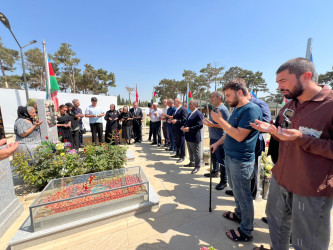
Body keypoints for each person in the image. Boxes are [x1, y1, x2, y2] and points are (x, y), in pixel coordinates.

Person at [250, 58, 333, 250]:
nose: (278, 86)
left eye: (283, 81)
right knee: (277, 226)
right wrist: (272, 131)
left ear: (306, 76)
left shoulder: (329, 105)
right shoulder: (289, 106)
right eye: (277, 82)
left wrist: (302, 138)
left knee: (306, 242)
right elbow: (284, 136)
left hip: (310, 188)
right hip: (280, 179)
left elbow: (300, 139)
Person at [210, 78, 262, 242]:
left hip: (241, 160)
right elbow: (229, 133)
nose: (226, 99)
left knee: (244, 195)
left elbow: (239, 135)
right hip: (231, 157)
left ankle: (246, 231)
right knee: (236, 190)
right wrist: (217, 143)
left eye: (228, 95)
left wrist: (219, 121)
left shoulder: (251, 110)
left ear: (240, 92)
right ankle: (239, 215)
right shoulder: (237, 109)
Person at [202, 91, 230, 190]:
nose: (211, 99)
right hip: (213, 137)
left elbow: (227, 126)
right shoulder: (216, 109)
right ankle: (214, 172)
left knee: (221, 160)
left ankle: (224, 181)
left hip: (220, 139)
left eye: (213, 97)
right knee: (214, 157)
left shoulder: (223, 110)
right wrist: (209, 123)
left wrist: (212, 125)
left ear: (219, 98)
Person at [181, 100, 203, 174]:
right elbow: (187, 123)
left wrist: (189, 129)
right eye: (189, 104)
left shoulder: (198, 114)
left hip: (194, 136)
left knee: (196, 152)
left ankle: (197, 166)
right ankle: (192, 162)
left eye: (190, 104)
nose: (189, 106)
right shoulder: (190, 113)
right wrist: (184, 127)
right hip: (188, 136)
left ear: (195, 105)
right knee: (190, 151)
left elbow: (200, 125)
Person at [171, 98, 188, 163]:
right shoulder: (176, 109)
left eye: (174, 102)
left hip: (181, 129)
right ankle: (178, 153)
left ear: (178, 102)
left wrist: (177, 121)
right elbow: (176, 118)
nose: (173, 103)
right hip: (176, 129)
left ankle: (182, 156)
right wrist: (172, 120)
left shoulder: (183, 109)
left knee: (182, 143)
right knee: (177, 142)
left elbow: (185, 120)